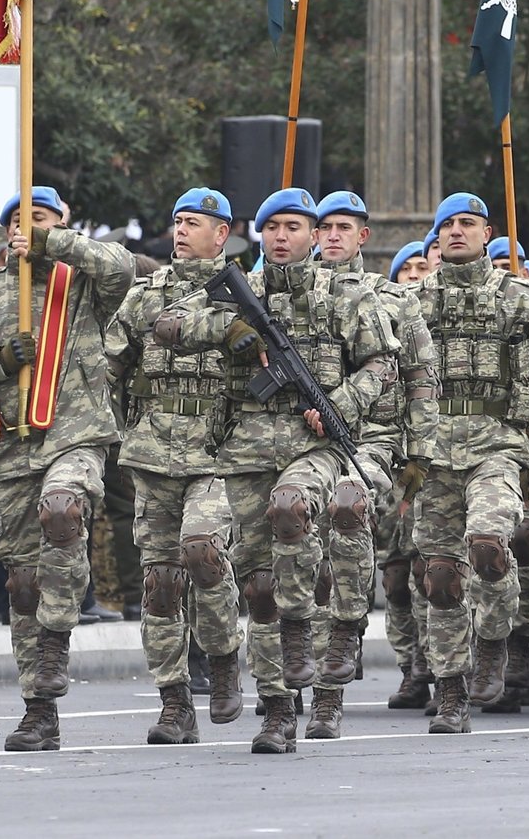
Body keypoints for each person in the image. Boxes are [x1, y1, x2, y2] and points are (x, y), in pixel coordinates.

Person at [153, 187, 397, 751]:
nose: (282, 237)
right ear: (258, 235)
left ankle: (297, 630)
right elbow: (167, 325)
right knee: (258, 587)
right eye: (272, 228)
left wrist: (340, 405)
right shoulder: (240, 290)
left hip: (313, 446)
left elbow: (382, 362)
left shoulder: (343, 293)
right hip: (242, 451)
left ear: (314, 235)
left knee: (292, 510)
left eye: (294, 227)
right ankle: (279, 711)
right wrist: (229, 329)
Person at [0, 186, 136, 750]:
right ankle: (38, 708)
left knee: (63, 513)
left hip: (75, 436)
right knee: (21, 580)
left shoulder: (86, 283)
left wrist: (53, 241)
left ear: (61, 223)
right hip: (8, 447)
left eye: (38, 218)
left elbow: (123, 264)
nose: (27, 228)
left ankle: (55, 643)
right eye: (19, 221)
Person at [412, 192, 529, 734]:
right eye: (448, 225)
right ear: (437, 239)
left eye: (469, 224)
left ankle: (492, 639)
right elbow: (395, 377)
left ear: (488, 234)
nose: (457, 232)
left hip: (499, 445)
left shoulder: (522, 300)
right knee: (438, 576)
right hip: (433, 450)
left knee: (487, 544)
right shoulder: (411, 301)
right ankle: (452, 689)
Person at [103, 188, 247, 746]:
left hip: (219, 453)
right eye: (178, 221)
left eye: (196, 222)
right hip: (154, 455)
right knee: (161, 583)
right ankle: (174, 703)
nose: (183, 230)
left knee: (204, 552)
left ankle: (225, 659)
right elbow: (107, 369)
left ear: (223, 232)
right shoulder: (145, 297)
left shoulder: (245, 294)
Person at [312, 189, 437, 736]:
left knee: (348, 512)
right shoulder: (283, 295)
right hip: (294, 442)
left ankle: (341, 644)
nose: (332, 236)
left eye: (344, 227)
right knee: (299, 560)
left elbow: (420, 379)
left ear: (363, 236)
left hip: (372, 440)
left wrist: (420, 454)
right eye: (325, 227)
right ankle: (304, 669)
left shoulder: (394, 301)